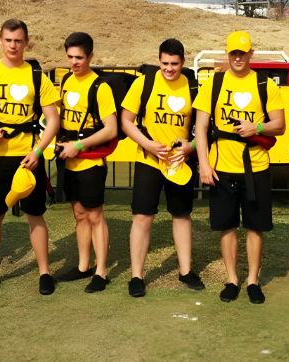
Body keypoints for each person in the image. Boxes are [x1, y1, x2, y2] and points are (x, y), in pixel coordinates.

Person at [0, 19, 60, 299]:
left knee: (35, 215)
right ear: (0, 40)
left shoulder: (37, 76)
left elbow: (53, 120)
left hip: (28, 158)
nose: (13, 45)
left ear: (26, 42)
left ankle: (44, 272)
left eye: (18, 40)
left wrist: (38, 151)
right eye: (8, 40)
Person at [193, 31, 285, 304]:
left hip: (255, 166)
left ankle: (253, 280)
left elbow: (279, 125)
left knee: (255, 227)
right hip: (222, 165)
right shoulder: (214, 83)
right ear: (227, 53)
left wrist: (255, 127)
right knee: (227, 226)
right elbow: (200, 127)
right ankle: (232, 278)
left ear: (250, 54)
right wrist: (204, 165)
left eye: (242, 53)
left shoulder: (265, 85)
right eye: (233, 52)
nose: (237, 57)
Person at [121, 38, 204, 297]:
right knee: (142, 217)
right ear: (159, 60)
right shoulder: (143, 83)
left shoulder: (192, 87)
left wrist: (189, 148)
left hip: (179, 164)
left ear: (183, 62)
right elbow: (126, 121)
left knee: (181, 215)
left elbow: (201, 129)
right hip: (149, 161)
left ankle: (186, 271)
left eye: (175, 64)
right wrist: (148, 144)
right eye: (165, 63)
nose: (169, 68)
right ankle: (137, 276)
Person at [53, 32, 117, 292]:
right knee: (79, 215)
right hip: (69, 161)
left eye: (79, 57)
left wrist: (78, 145)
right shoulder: (66, 80)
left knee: (94, 216)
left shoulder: (100, 87)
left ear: (90, 56)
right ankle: (83, 266)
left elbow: (111, 129)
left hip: (90, 161)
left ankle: (101, 273)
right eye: (70, 57)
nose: (74, 62)